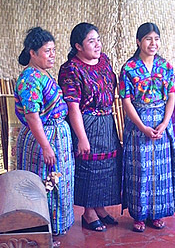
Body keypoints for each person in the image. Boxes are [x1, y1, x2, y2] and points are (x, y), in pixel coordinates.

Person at [58, 22, 121, 232]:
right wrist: (82, 137)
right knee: (89, 167)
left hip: (106, 121)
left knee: (107, 166)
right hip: (86, 122)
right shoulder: (71, 69)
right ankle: (88, 212)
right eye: (90, 41)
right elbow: (73, 107)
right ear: (78, 46)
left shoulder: (104, 61)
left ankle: (100, 207)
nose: (97, 45)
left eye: (98, 40)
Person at [14, 27, 75, 236]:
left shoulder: (42, 74)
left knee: (58, 182)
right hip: (42, 140)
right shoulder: (30, 79)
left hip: (56, 136)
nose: (52, 55)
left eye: (54, 50)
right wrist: (46, 146)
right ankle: (42, 231)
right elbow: (32, 116)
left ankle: (54, 230)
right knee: (45, 184)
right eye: (47, 51)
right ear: (33, 52)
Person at [119, 22, 175, 232]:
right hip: (138, 126)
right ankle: (139, 215)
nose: (153, 43)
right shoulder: (128, 68)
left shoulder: (166, 67)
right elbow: (126, 101)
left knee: (160, 170)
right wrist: (143, 127)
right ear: (138, 42)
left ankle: (157, 213)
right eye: (148, 39)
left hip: (162, 124)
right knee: (140, 168)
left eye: (156, 39)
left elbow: (172, 96)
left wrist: (164, 123)